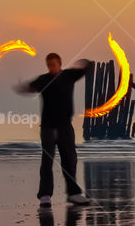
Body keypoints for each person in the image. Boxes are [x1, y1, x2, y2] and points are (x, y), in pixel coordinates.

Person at [13, 53, 91, 206]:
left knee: (69, 159)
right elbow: (30, 87)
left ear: (59, 64)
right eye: (48, 65)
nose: (51, 67)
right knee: (47, 160)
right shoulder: (43, 79)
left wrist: (84, 62)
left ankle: (73, 194)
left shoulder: (69, 75)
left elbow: (87, 68)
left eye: (53, 65)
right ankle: (45, 195)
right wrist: (23, 87)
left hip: (65, 126)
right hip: (48, 127)